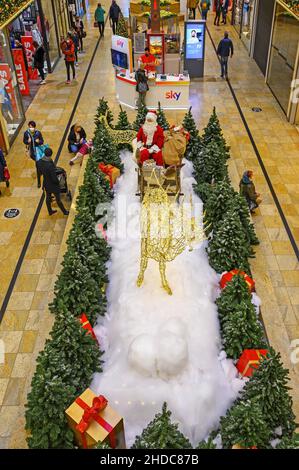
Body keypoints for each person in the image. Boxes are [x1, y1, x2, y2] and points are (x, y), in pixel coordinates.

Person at [37, 147, 69, 216]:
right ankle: (65, 212)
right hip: (53, 185)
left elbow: (39, 173)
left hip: (46, 183)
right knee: (58, 199)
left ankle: (50, 211)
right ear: (51, 154)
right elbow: (54, 178)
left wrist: (39, 182)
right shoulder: (50, 165)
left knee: (48, 197)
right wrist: (58, 182)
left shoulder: (39, 162)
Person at [23, 121, 44, 188]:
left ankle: (39, 181)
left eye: (32, 127)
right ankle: (40, 171)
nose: (31, 128)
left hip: (38, 151)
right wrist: (27, 141)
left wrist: (39, 141)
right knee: (38, 164)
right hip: (32, 152)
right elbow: (24, 141)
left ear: (34, 127)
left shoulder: (38, 133)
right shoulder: (26, 133)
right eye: (30, 127)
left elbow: (42, 141)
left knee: (38, 165)